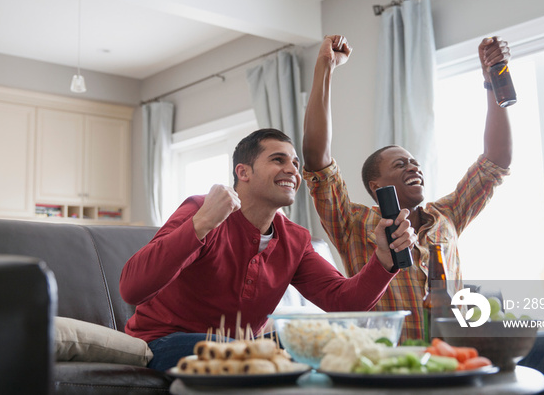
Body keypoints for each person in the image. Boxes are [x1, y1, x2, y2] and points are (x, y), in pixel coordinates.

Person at [302, 35, 544, 394]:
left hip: (462, 350)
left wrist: (493, 79)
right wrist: (325, 67)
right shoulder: (353, 223)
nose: (414, 166)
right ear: (375, 183)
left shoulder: (446, 215)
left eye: (415, 161)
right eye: (400, 164)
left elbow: (495, 162)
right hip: (403, 363)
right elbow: (317, 160)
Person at [120, 128, 416, 372]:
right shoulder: (202, 210)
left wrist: (383, 260)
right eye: (278, 160)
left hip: (248, 350)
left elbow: (343, 302)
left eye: (296, 164)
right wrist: (201, 224)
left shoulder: (295, 239)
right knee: (250, 354)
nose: (292, 170)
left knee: (337, 344)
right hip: (163, 342)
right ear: (243, 172)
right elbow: (131, 289)